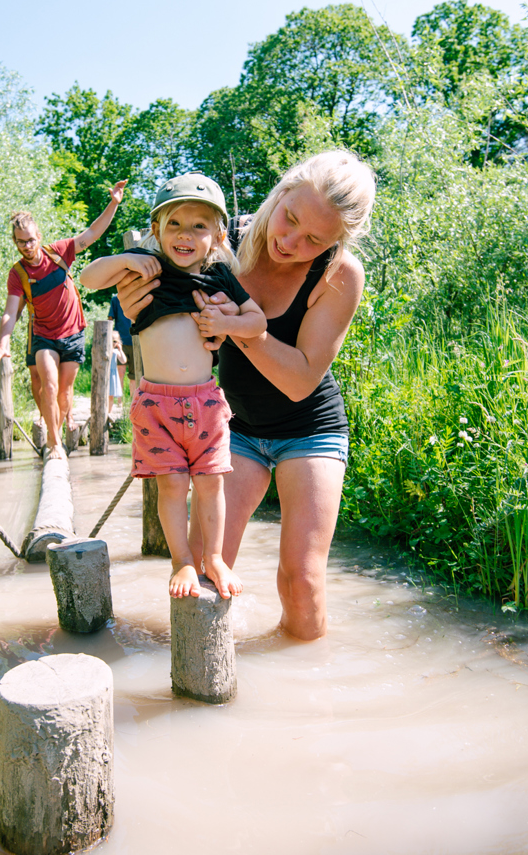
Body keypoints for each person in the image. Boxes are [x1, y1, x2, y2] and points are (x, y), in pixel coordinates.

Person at [115, 151, 376, 639]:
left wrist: (237, 327)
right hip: (229, 427)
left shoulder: (341, 274)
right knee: (201, 568)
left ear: (337, 240)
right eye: (289, 218)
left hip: (309, 428)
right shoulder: (219, 237)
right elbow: (153, 289)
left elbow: (299, 380)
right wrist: (138, 305)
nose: (289, 241)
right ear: (280, 192)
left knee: (301, 580)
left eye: (314, 239)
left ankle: (304, 693)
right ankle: (200, 694)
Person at [79, 173, 267, 599]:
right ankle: (181, 561)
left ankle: (214, 558)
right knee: (171, 487)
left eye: (199, 225)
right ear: (156, 231)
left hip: (205, 401)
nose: (185, 234)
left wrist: (227, 322)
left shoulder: (220, 278)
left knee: (211, 484)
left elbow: (257, 321)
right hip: (156, 404)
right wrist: (127, 260)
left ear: (218, 235)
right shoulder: (147, 271)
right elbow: (89, 276)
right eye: (174, 224)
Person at [0, 181, 127, 459]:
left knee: (65, 393)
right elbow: (10, 310)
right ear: (14, 242)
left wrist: (113, 203)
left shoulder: (60, 251)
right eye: (21, 242)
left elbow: (92, 233)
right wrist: (2, 342)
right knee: (48, 385)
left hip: (73, 332)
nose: (27, 246)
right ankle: (54, 444)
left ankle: (60, 430)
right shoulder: (17, 274)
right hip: (43, 335)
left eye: (30, 240)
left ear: (38, 236)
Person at [108, 294, 135, 392]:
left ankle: (132, 402)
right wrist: (110, 339)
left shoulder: (137, 296)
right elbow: (110, 319)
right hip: (120, 341)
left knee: (134, 376)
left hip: (135, 341)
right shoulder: (116, 299)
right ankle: (120, 402)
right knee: (120, 372)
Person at [109, 330, 127, 413]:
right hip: (106, 375)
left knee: (111, 396)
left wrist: (120, 350)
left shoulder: (116, 351)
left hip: (112, 375)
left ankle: (108, 412)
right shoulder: (105, 351)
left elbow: (123, 360)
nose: (113, 343)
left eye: (115, 341)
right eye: (111, 340)